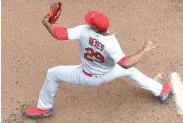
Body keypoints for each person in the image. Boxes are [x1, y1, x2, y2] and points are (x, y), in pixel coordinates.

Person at [25, 10, 171, 118]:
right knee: (130, 70)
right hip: (108, 74)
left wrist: (46, 23)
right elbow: (126, 63)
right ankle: (161, 91)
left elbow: (57, 33)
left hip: (85, 76)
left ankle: (44, 108)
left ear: (94, 27)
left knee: (52, 73)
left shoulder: (83, 30)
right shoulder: (111, 42)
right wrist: (144, 50)